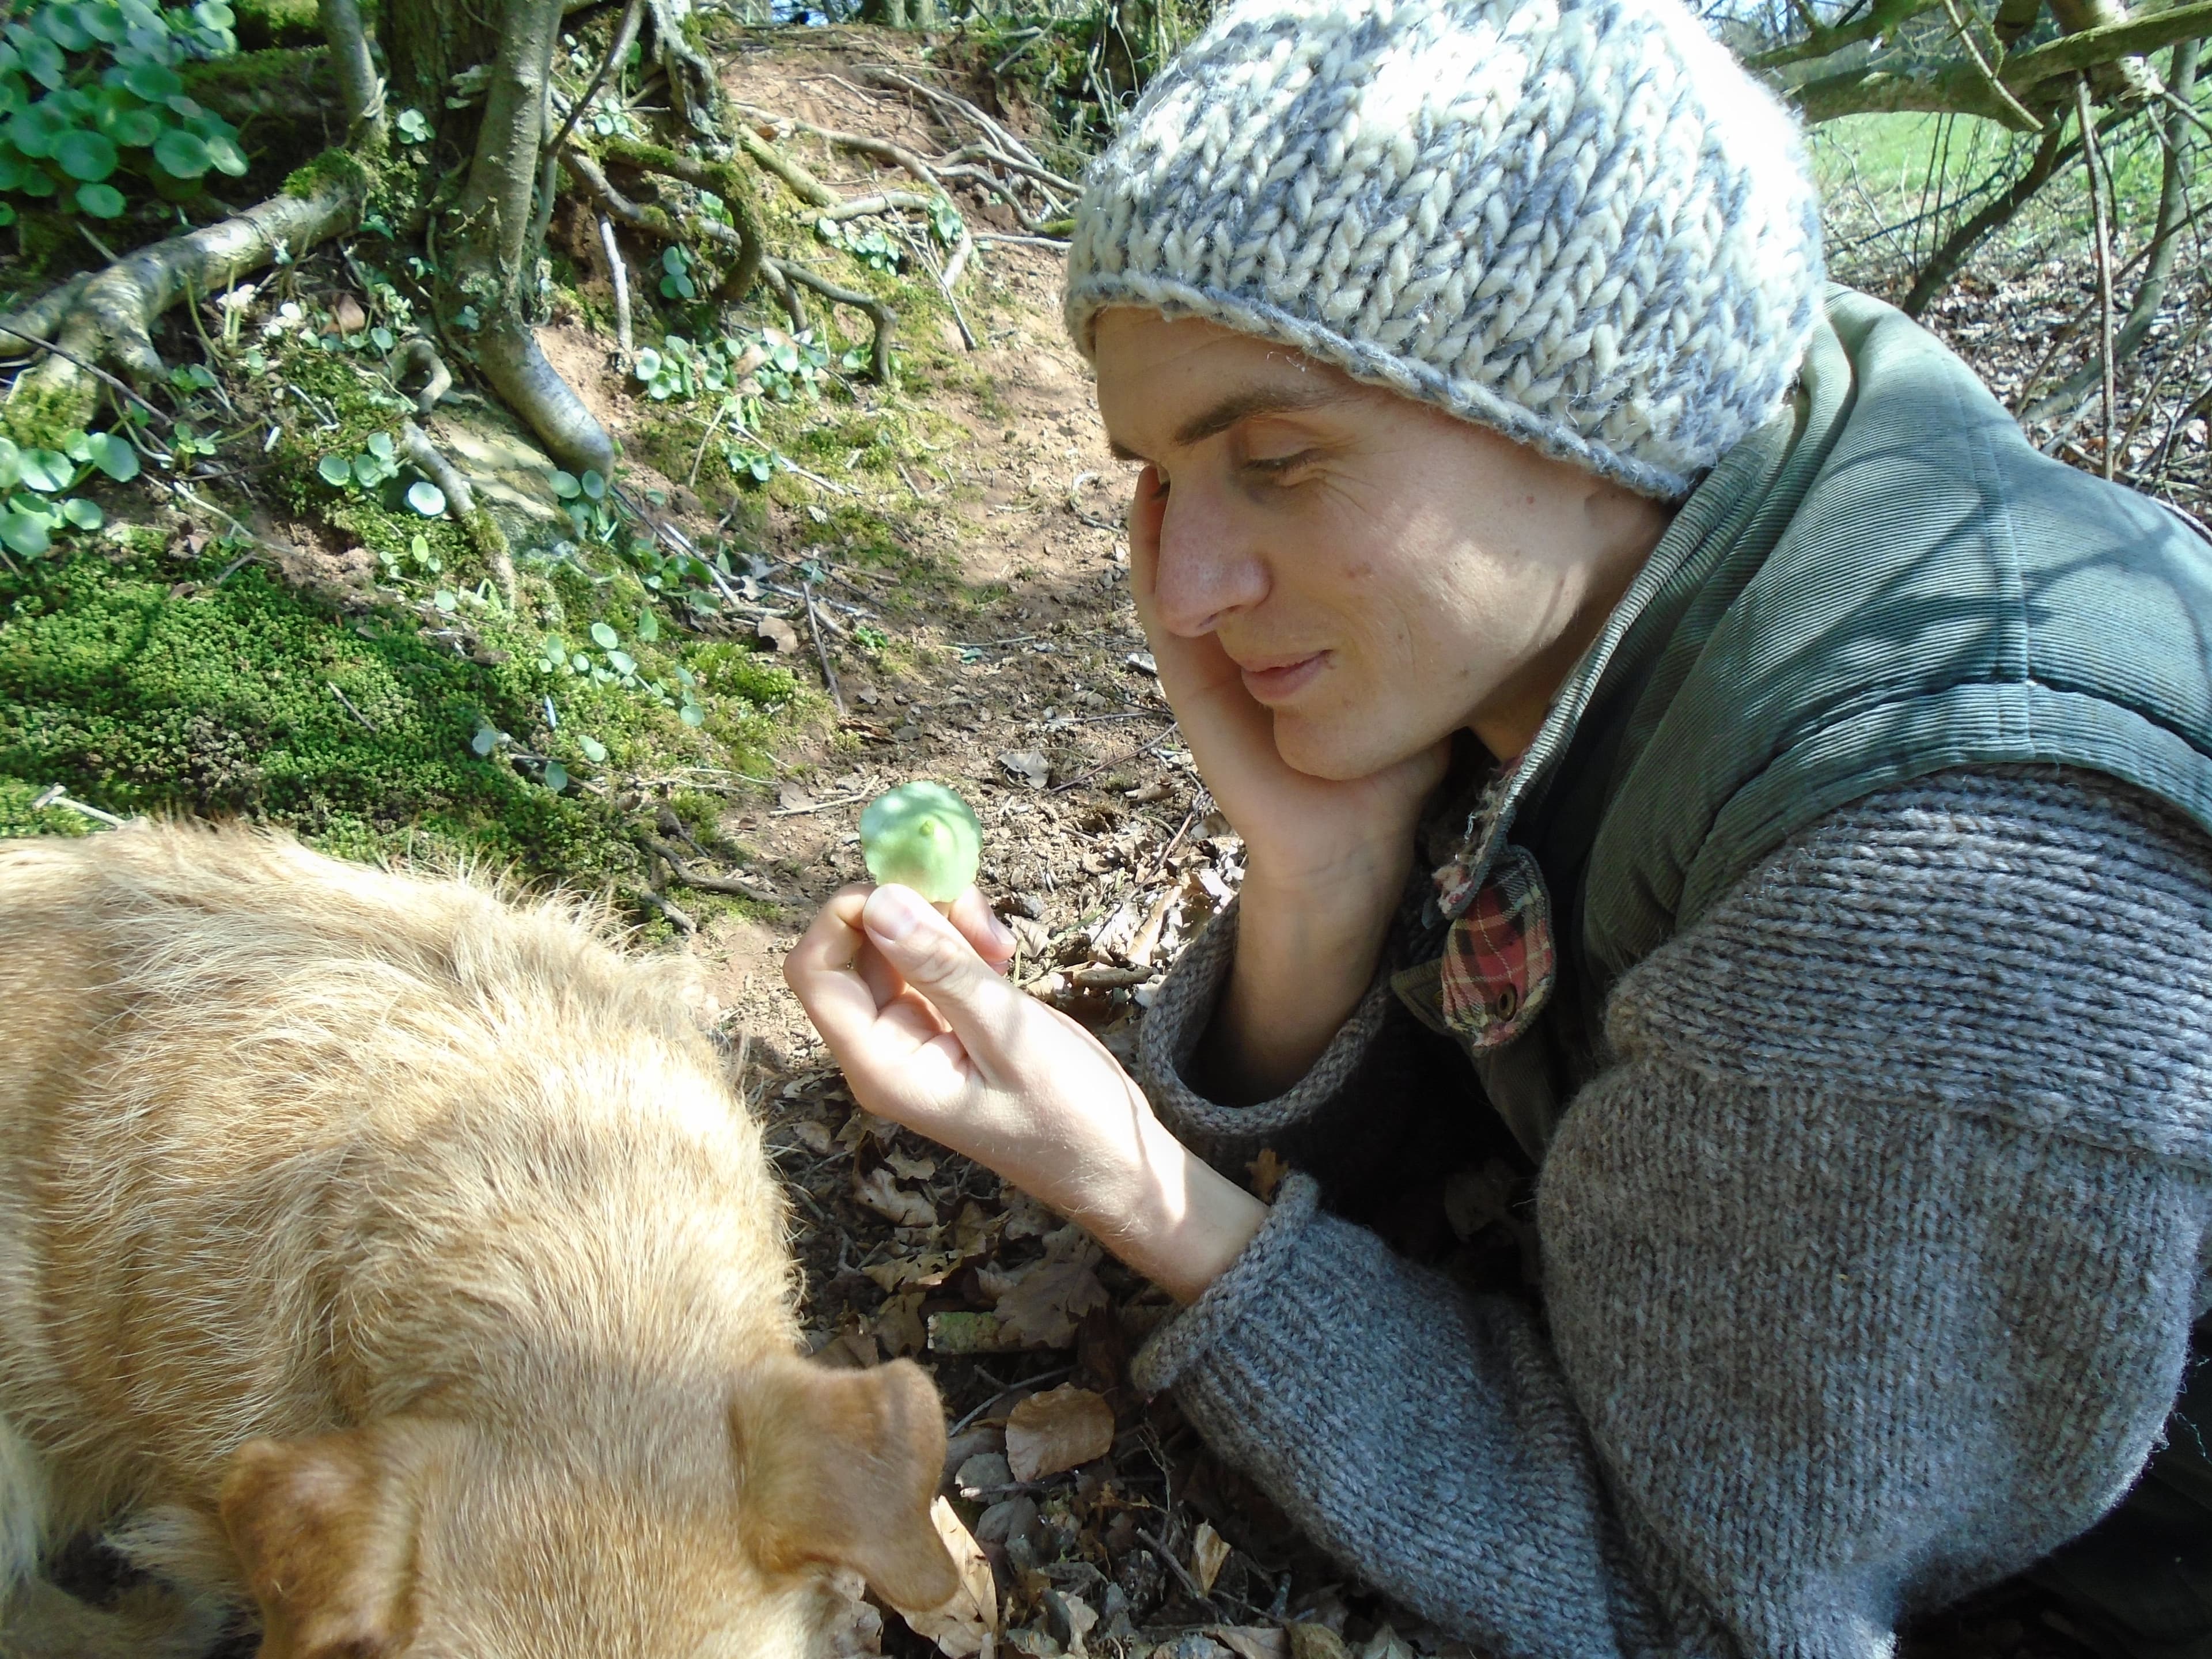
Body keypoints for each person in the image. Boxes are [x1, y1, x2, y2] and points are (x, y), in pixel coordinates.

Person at [785, 0, 2212, 1650]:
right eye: (1162, 477)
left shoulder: (1944, 873)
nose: (1182, 587)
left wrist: (1125, 1177)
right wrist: (1325, 873)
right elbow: (1469, 1181)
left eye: (1280, 456)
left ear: (1586, 406)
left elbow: (1687, 1591)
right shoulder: (1614, 575)